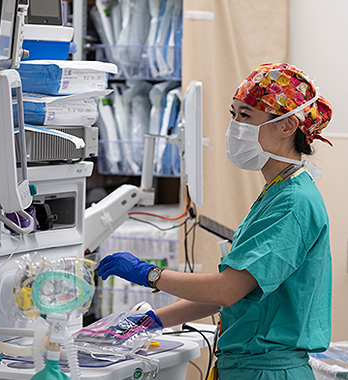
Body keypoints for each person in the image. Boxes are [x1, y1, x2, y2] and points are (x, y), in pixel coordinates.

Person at [97, 63, 333, 380]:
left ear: (287, 126)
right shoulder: (276, 193)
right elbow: (237, 295)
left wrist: (149, 274)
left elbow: (227, 290)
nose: (235, 126)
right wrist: (152, 321)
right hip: (246, 367)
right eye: (233, 114)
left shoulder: (293, 203)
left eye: (246, 116)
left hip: (266, 371)